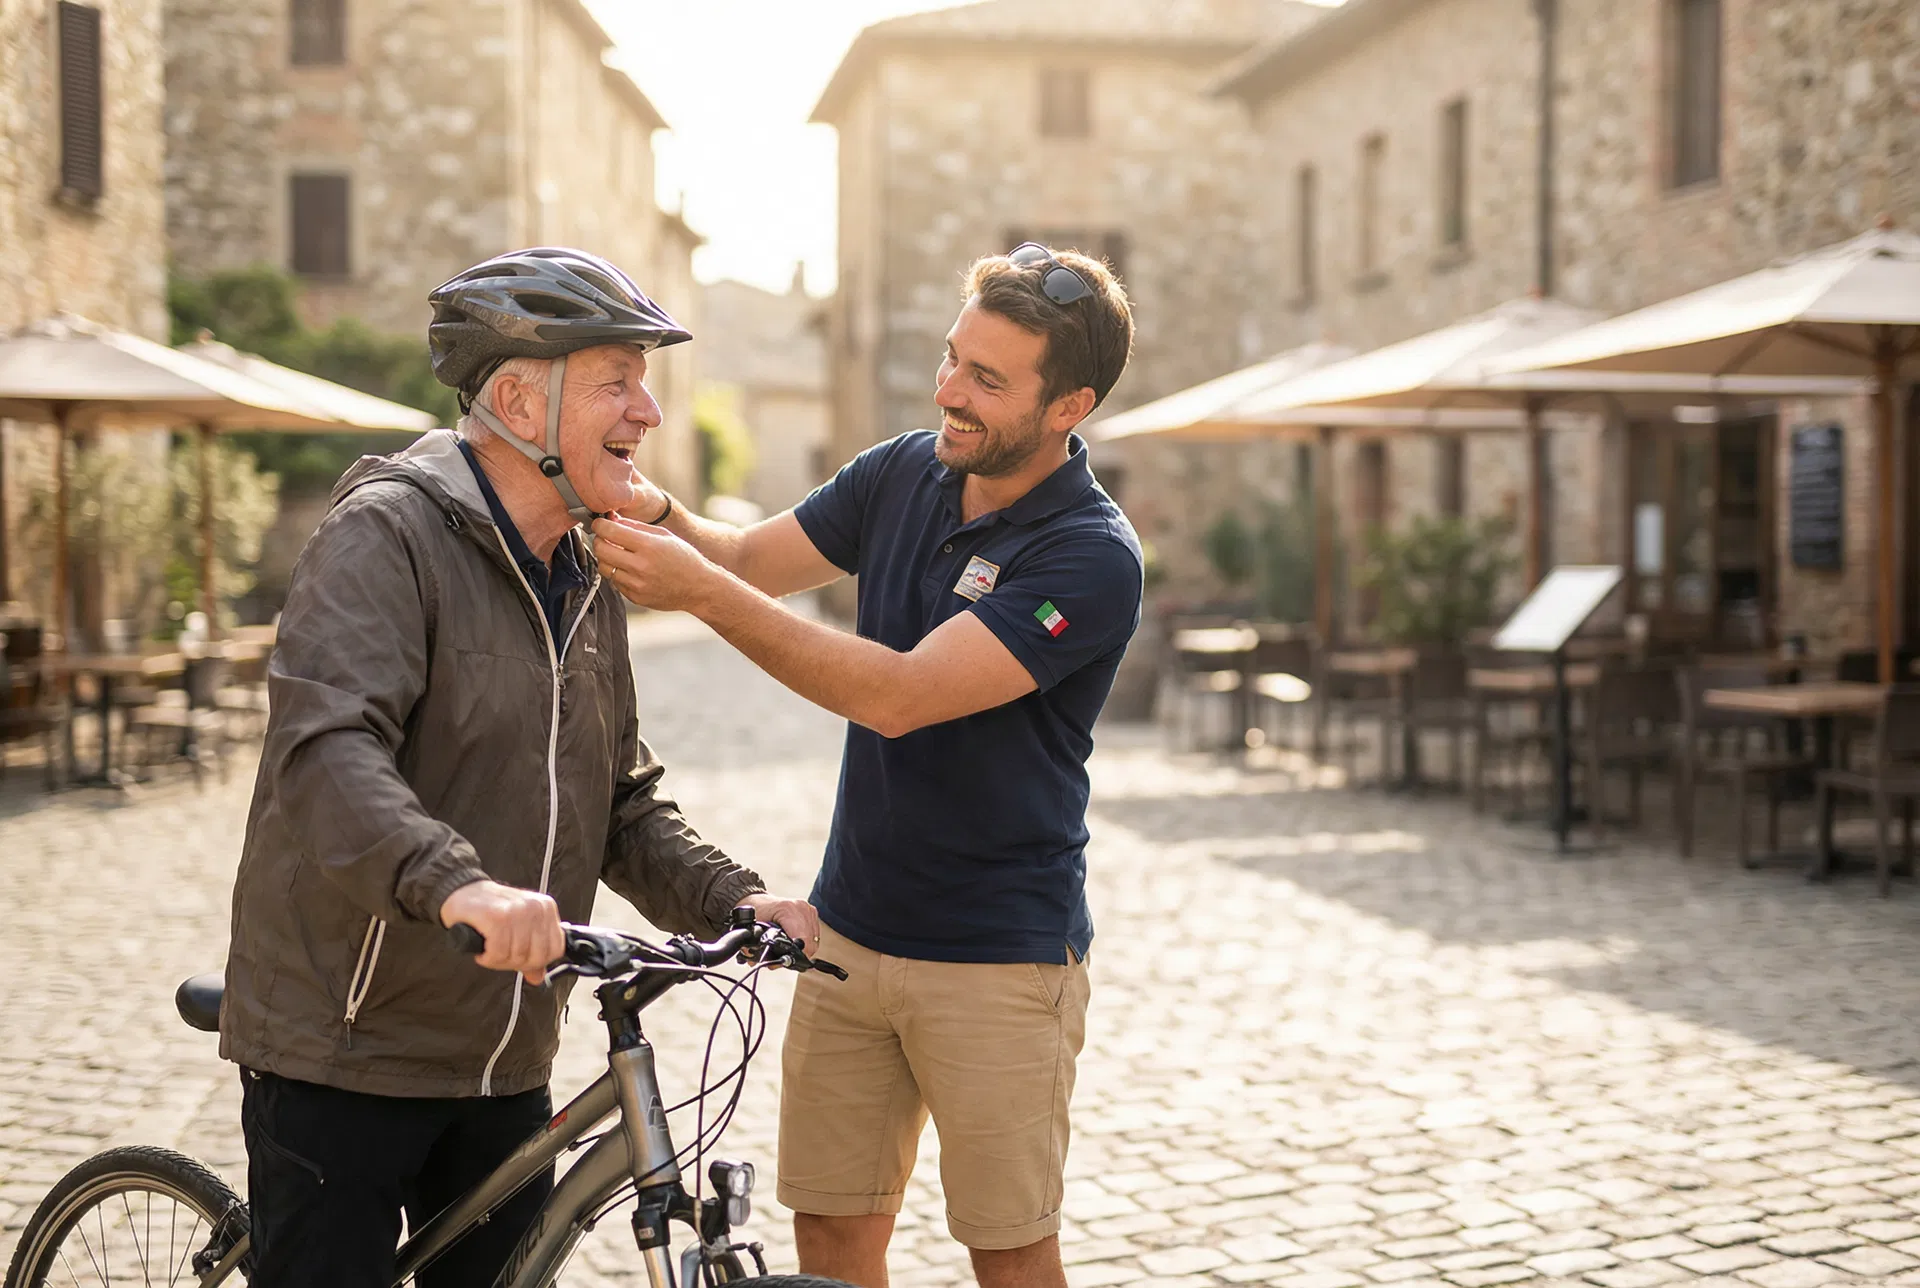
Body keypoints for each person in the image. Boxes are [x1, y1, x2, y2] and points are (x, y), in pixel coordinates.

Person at [220, 246, 818, 1288]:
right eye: (617, 382)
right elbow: (327, 756)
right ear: (515, 401)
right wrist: (463, 885)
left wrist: (734, 898)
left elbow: (619, 801)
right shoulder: (384, 536)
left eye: (645, 384)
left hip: (505, 1060)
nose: (649, 412)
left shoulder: (586, 570)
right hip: (347, 1048)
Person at [589, 243, 1142, 1288]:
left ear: (1069, 405)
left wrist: (696, 593)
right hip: (847, 938)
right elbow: (746, 559)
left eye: (987, 379)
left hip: (997, 958)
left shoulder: (1090, 555)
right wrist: (647, 506)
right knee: (834, 1242)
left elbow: (897, 695)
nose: (949, 391)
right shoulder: (904, 470)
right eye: (952, 357)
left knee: (1010, 1253)